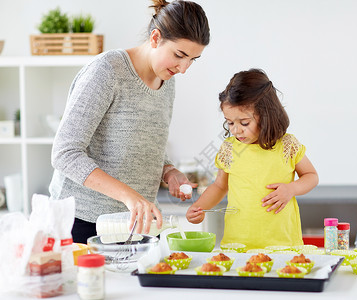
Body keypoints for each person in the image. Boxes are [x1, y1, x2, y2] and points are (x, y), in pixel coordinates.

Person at [49, 0, 210, 243]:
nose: (184, 68)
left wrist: (169, 171)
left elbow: (144, 141)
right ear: (155, 38)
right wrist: (130, 196)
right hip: (82, 222)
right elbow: (65, 153)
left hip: (136, 224)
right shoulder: (107, 71)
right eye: (179, 55)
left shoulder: (167, 81)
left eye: (192, 60)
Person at [186, 69, 319, 249]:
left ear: (266, 116)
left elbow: (311, 175)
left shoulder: (287, 145)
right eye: (230, 122)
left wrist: (292, 189)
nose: (235, 130)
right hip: (238, 245)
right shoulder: (229, 148)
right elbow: (219, 186)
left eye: (244, 123)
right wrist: (199, 207)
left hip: (282, 244)